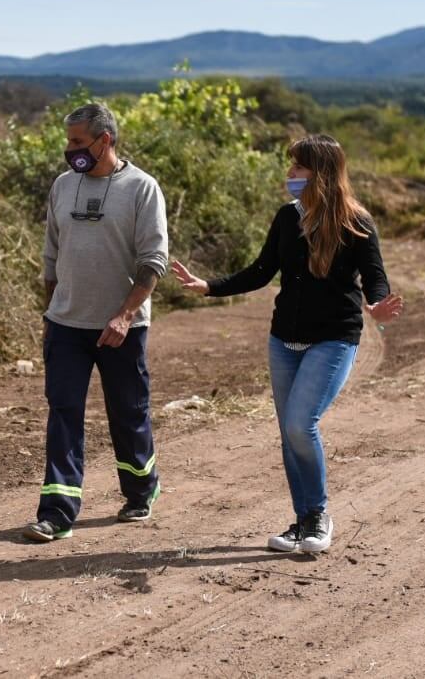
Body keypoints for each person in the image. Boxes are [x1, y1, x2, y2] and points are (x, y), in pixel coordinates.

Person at [170, 134, 403, 553]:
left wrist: (377, 306)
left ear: (322, 174)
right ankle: (302, 523)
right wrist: (208, 286)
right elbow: (260, 271)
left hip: (333, 339)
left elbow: (375, 278)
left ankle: (318, 516)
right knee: (289, 433)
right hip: (284, 339)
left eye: (298, 168)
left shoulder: (357, 222)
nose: (290, 175)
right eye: (292, 166)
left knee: (300, 425)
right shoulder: (286, 217)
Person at [23, 102, 169, 543]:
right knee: (63, 413)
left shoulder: (142, 189)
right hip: (67, 325)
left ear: (104, 140)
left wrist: (125, 316)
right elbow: (51, 255)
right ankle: (58, 513)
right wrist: (51, 313)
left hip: (121, 328)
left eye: (77, 142)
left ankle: (141, 489)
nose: (69, 151)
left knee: (127, 414)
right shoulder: (63, 186)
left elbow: (153, 261)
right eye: (68, 142)